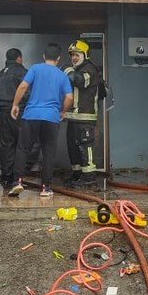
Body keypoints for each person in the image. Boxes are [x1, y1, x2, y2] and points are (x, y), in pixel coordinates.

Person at [9, 43, 73, 198]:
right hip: (51, 118)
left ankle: (17, 182)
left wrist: (15, 104)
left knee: (23, 149)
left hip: (31, 115)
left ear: (44, 57)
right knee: (49, 152)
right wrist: (62, 111)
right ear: (58, 59)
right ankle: (46, 188)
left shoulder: (35, 69)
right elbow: (69, 97)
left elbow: (23, 87)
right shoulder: (62, 75)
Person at [63, 39, 102, 187]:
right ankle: (77, 175)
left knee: (86, 148)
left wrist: (66, 69)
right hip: (73, 118)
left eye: (76, 54)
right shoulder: (77, 69)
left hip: (85, 118)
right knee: (73, 148)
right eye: (71, 55)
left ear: (85, 54)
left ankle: (89, 178)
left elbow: (78, 80)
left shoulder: (90, 69)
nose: (73, 57)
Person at [0, 48, 27, 188]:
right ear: (19, 58)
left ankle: (6, 177)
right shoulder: (23, 72)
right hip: (19, 112)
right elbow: (28, 92)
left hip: (3, 114)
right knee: (21, 145)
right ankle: (18, 178)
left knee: (6, 145)